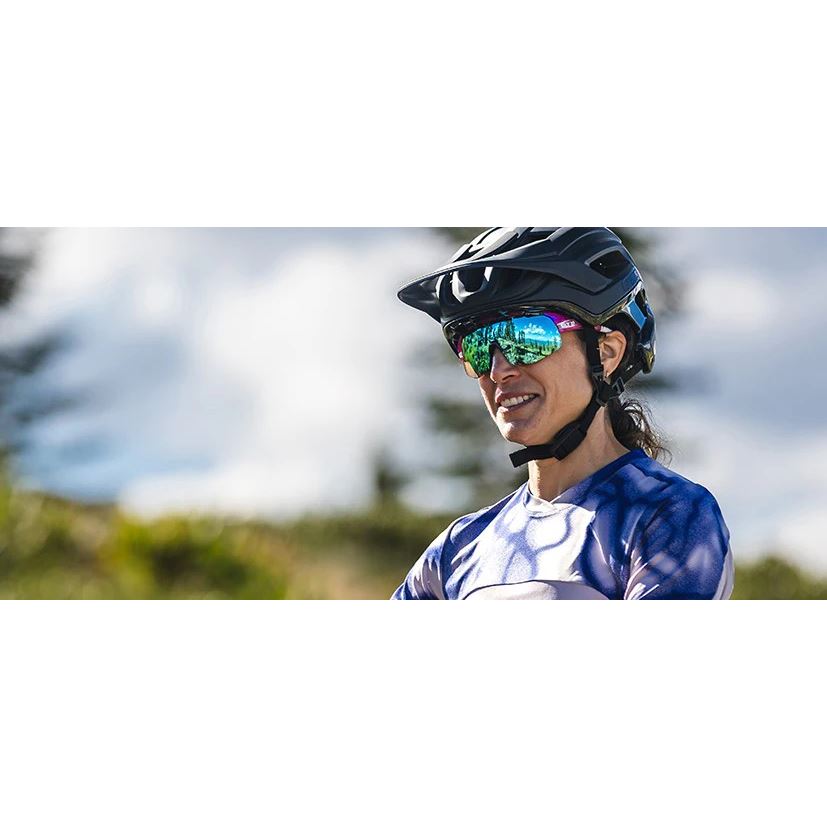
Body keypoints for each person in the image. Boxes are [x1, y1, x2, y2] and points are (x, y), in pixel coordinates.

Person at [391, 227, 734, 600]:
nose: (499, 370)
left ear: (607, 353)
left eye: (526, 338)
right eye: (477, 347)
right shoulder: (456, 549)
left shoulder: (668, 515)